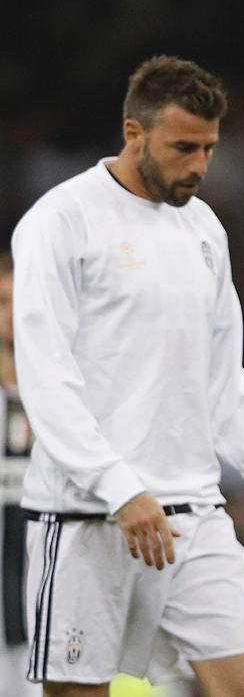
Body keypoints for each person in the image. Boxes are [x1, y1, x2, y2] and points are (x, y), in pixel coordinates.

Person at [11, 55, 244, 697]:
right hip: (86, 514)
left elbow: (225, 381)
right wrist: (119, 488)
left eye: (209, 148)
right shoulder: (61, 220)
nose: (200, 166)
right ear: (134, 133)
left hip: (193, 512)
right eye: (183, 147)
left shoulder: (204, 227)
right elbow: (45, 375)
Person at [0, 254, 39, 697]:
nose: (11, 314)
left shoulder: (56, 398)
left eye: (20, 301)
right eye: (2, 301)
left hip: (41, 602)